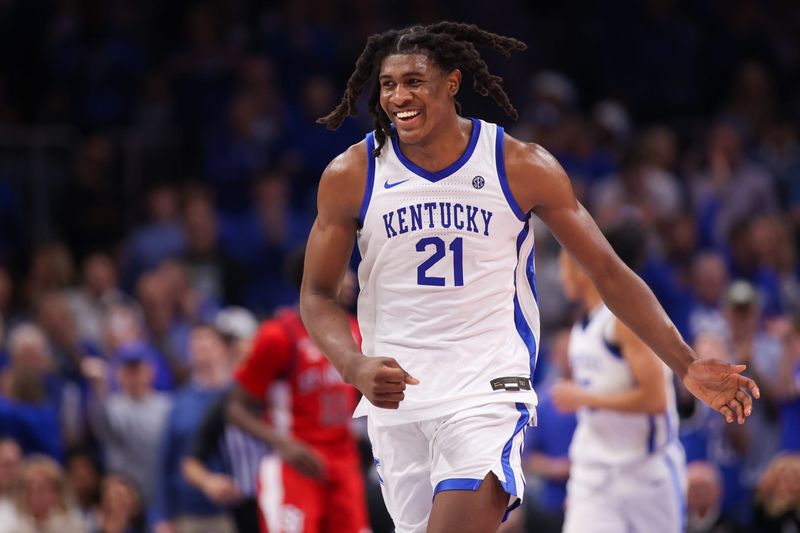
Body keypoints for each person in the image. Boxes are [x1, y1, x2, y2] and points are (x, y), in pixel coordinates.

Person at [299, 22, 759, 533]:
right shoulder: (353, 174)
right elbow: (316, 293)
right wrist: (351, 364)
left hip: (487, 392)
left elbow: (607, 270)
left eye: (414, 81)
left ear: (452, 83)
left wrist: (686, 364)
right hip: (398, 400)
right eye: (387, 84)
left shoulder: (518, 164)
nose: (398, 96)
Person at [550, 221, 686, 532]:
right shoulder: (580, 327)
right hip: (594, 474)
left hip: (645, 473)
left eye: (564, 265)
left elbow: (656, 400)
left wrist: (584, 398)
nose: (561, 276)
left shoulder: (623, 321)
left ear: (579, 264)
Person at [226, 248, 369, 533]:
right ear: (317, 276)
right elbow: (235, 408)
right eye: (343, 271)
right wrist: (283, 444)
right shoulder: (277, 335)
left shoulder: (357, 331)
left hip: (344, 464)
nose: (352, 279)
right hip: (295, 464)